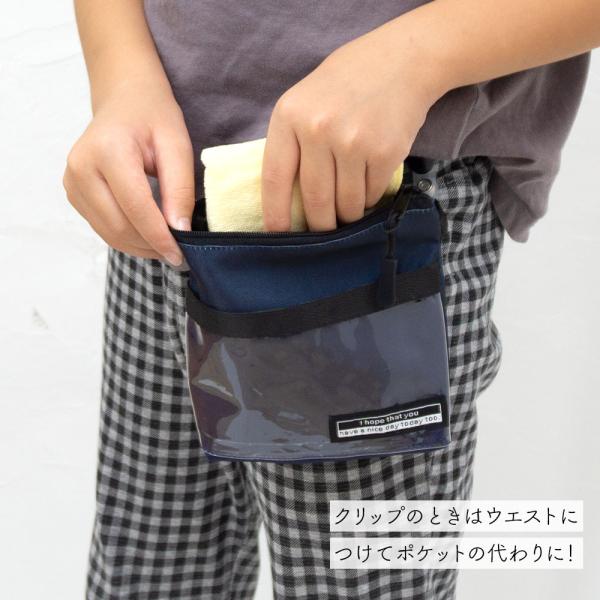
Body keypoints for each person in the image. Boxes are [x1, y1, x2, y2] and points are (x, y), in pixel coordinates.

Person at [63, 1, 598, 598]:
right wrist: (120, 72)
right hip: (161, 188)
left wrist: (415, 57)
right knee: (146, 574)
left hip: (370, 200)